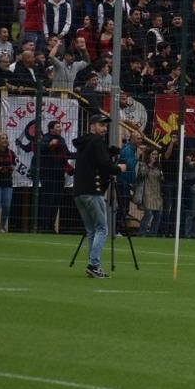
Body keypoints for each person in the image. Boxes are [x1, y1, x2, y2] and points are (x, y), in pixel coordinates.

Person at [72, 115, 125, 278]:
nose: (104, 128)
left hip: (79, 191)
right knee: (102, 228)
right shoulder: (96, 141)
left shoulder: (84, 142)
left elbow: (93, 159)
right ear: (93, 125)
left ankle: (94, 264)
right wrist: (118, 168)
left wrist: (108, 152)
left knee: (91, 230)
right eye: (101, 125)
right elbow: (103, 165)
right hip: (92, 190)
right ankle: (94, 264)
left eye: (105, 126)